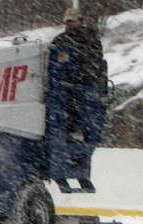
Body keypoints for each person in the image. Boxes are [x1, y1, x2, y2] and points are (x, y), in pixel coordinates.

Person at [48, 8, 106, 143]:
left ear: (80, 21)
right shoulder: (60, 39)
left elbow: (95, 59)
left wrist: (81, 72)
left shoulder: (89, 37)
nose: (69, 24)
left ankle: (80, 130)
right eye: (67, 21)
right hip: (63, 81)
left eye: (72, 21)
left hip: (86, 79)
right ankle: (65, 130)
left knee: (85, 102)